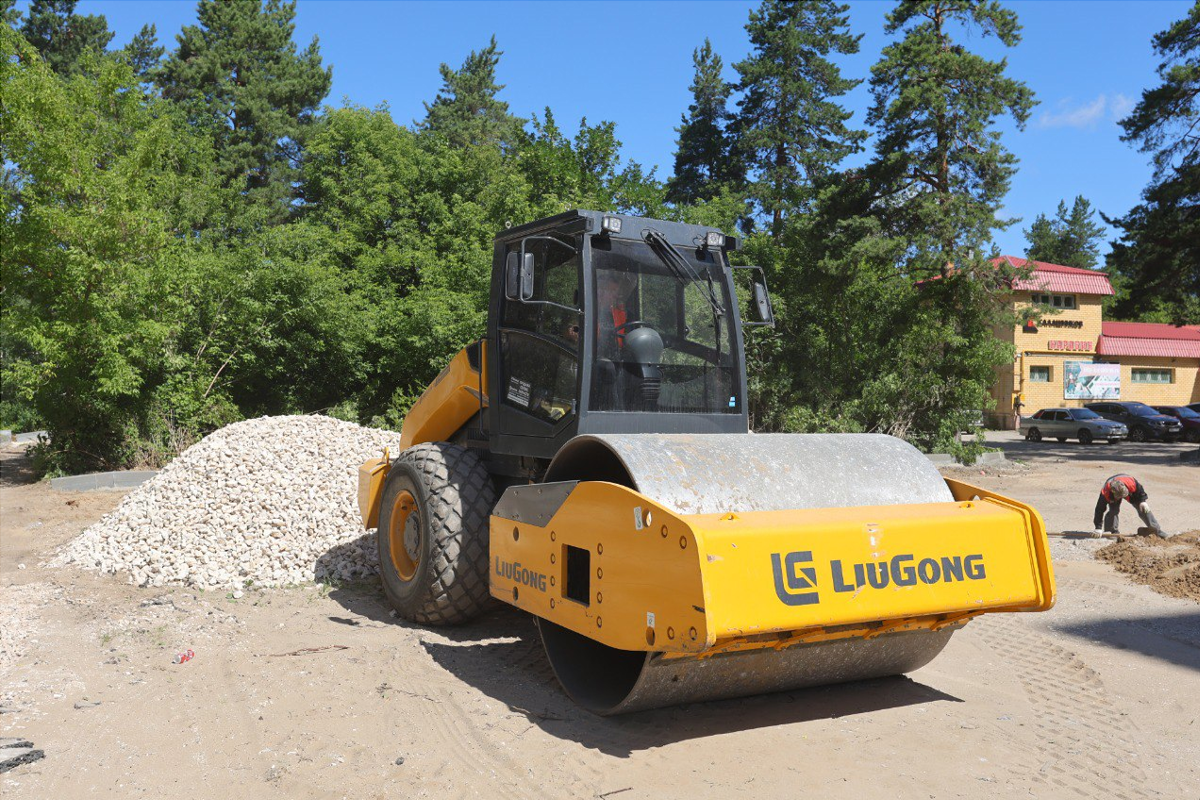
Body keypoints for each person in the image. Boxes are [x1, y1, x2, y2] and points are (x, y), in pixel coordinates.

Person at [1093, 475, 1166, 538]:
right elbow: (1099, 509)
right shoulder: (1106, 493)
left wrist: (1142, 501)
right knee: (1113, 510)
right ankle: (1111, 532)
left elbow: (1140, 490)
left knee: (1144, 509)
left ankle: (1156, 531)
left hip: (1130, 490)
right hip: (1113, 494)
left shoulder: (1131, 483)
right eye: (1120, 496)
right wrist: (1098, 527)